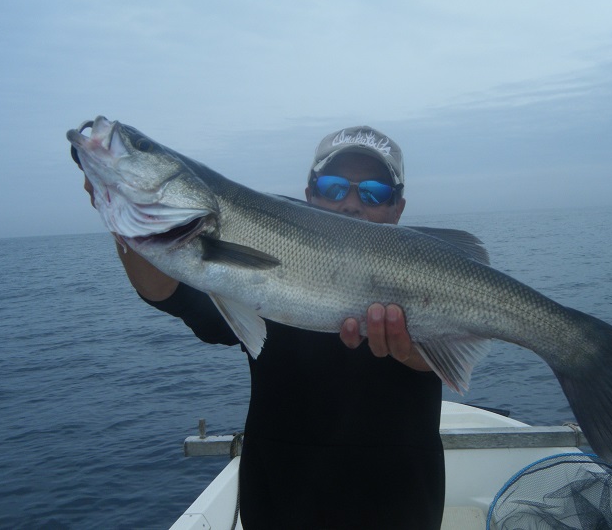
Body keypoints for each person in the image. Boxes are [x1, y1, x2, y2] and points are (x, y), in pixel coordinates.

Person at [77, 126, 445, 529]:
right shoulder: (258, 278)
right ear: (310, 194)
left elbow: (449, 356)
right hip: (280, 506)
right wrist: (124, 216)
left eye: (374, 192)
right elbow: (170, 293)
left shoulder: (429, 278)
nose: (352, 204)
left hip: (401, 508)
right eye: (334, 187)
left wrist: (417, 353)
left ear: (398, 208)